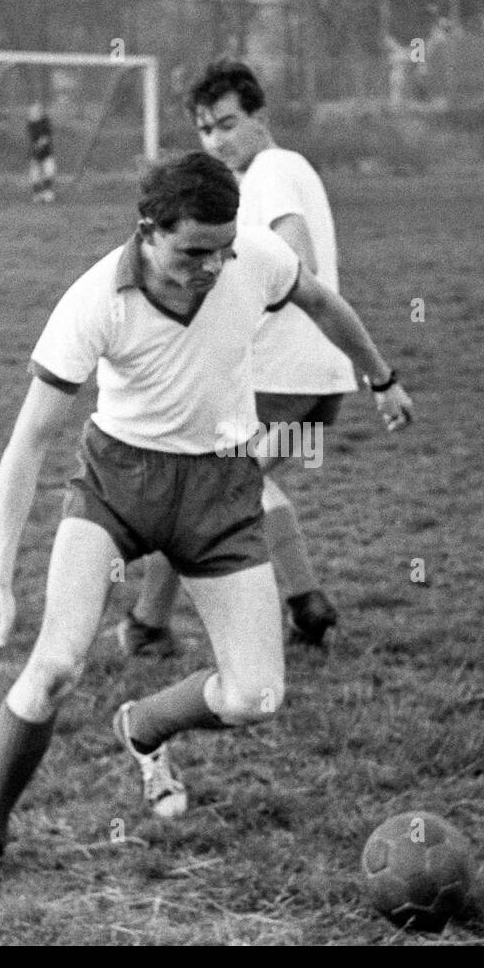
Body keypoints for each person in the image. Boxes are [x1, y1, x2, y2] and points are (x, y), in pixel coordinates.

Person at [0, 152, 413, 902]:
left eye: (224, 247)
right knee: (57, 665)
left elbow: (320, 301)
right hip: (116, 486)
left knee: (257, 695)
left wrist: (380, 376)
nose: (215, 266)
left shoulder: (249, 255)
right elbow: (28, 442)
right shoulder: (96, 299)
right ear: (148, 233)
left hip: (221, 489)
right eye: (195, 251)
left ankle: (145, 726)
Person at [121, 60, 356, 658]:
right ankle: (160, 623)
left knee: (209, 484)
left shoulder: (271, 171)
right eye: (204, 130)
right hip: (319, 377)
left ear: (259, 117)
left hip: (281, 374)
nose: (215, 142)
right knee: (217, 485)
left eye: (227, 125)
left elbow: (297, 259)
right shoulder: (291, 166)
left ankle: (158, 624)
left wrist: (229, 317)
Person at [26, 103, 56, 203]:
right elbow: (35, 141)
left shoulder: (45, 122)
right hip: (36, 154)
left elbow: (46, 138)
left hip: (47, 153)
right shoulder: (31, 125)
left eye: (37, 111)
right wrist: (37, 147)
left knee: (49, 170)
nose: (34, 114)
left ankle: (47, 192)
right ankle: (37, 193)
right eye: (32, 112)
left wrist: (43, 142)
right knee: (35, 174)